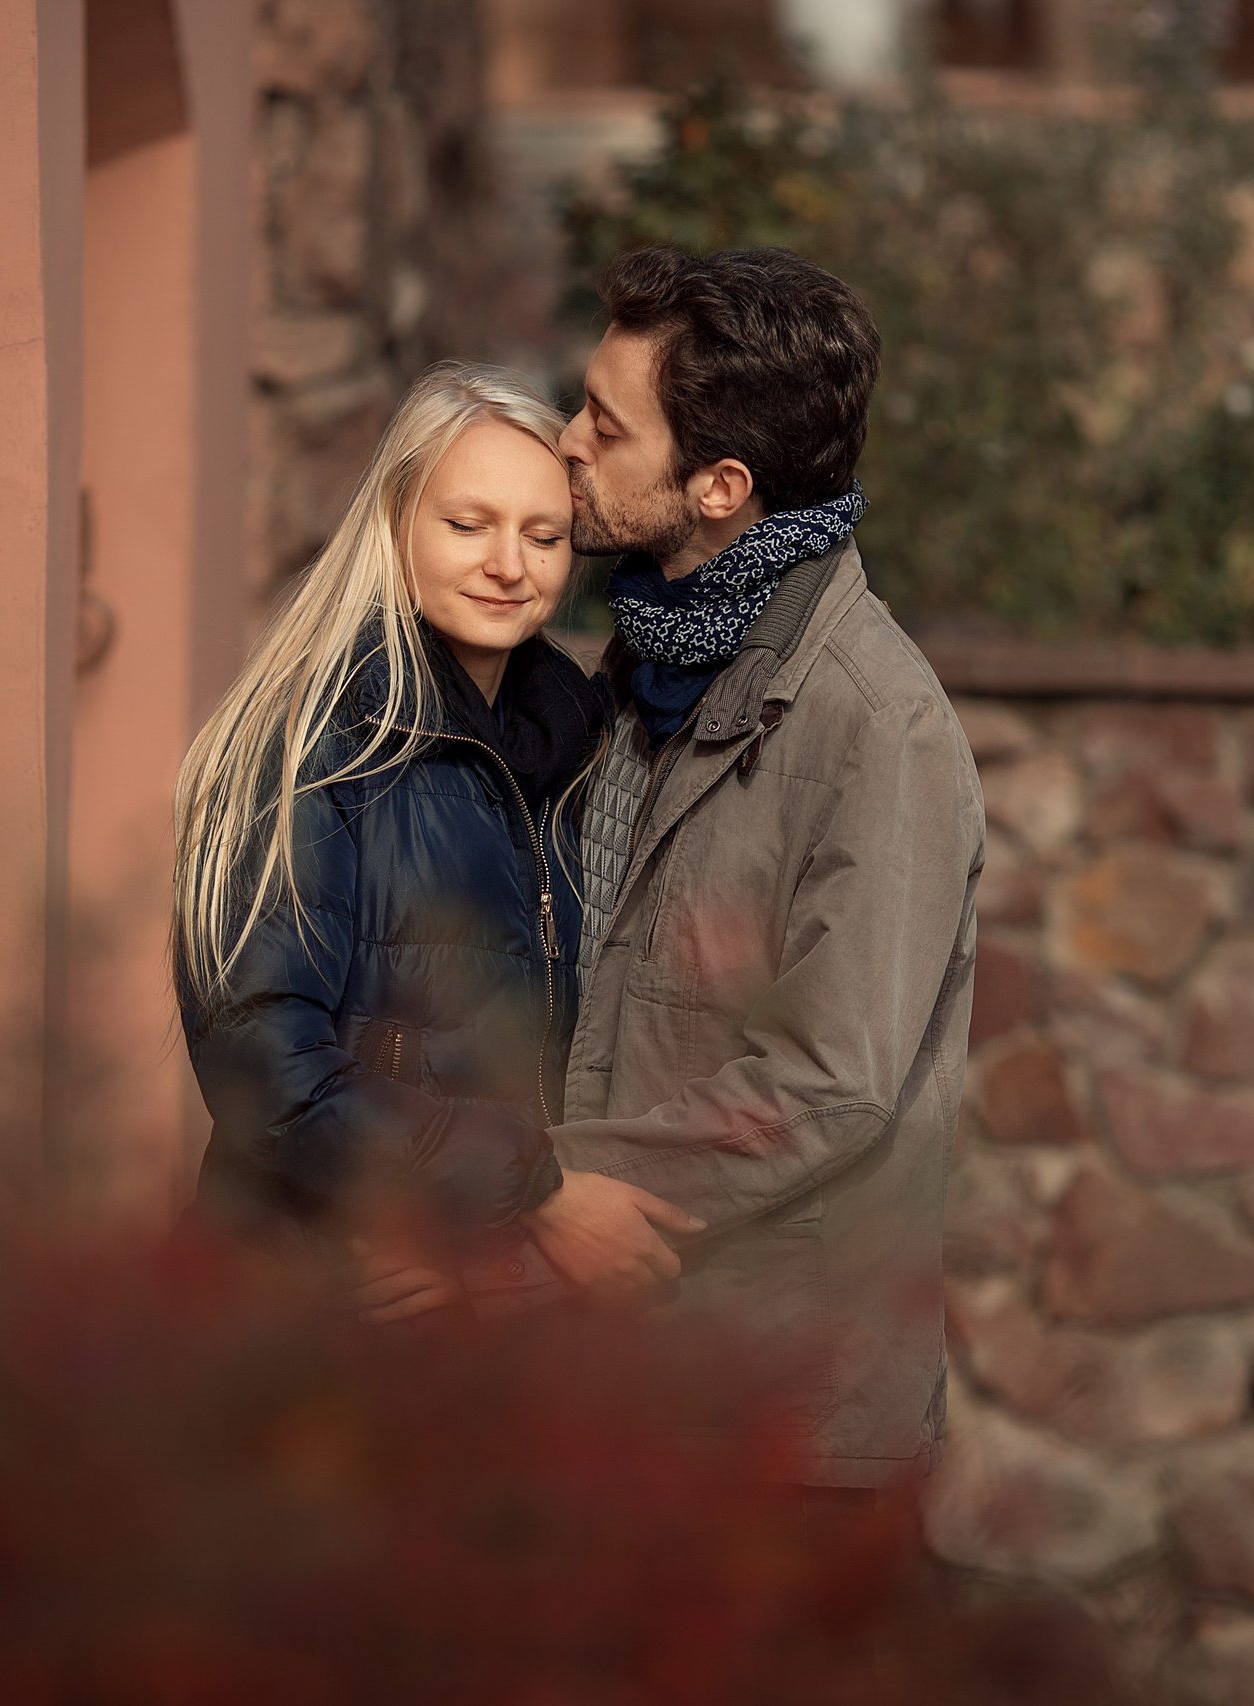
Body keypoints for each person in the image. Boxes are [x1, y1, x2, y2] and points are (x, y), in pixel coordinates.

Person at [529, 248, 986, 1489]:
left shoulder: (875, 724)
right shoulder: (638, 667)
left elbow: (831, 1080)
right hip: (615, 1384)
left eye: (605, 426)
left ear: (721, 486)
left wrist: (552, 1192)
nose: (566, 442)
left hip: (782, 1427)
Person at [172, 362, 697, 1322]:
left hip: (492, 1296)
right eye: (467, 525)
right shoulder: (309, 740)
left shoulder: (584, 746)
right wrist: (528, 1192)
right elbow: (262, 1061)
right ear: (395, 522)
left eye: (543, 536)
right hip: (319, 1296)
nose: (510, 565)